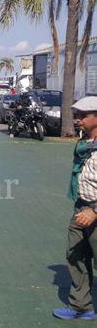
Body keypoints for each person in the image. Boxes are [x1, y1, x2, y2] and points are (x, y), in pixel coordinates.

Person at [53, 97, 97, 320]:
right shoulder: (86, 143)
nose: (78, 119)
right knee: (75, 256)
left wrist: (95, 210)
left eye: (83, 116)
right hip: (81, 208)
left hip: (94, 211)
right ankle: (81, 306)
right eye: (76, 115)